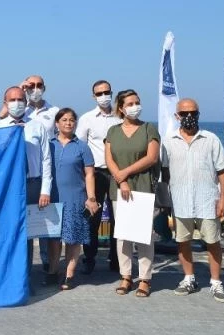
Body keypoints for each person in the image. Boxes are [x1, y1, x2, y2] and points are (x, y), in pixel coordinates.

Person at [161, 98, 224, 303]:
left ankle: (216, 282)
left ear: (199, 114)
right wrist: (165, 200)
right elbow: (165, 172)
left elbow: (222, 171)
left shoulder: (210, 139)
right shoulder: (169, 140)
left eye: (193, 112)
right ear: (177, 116)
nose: (189, 116)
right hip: (180, 200)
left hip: (207, 199)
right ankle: (189, 278)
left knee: (213, 242)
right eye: (184, 113)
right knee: (183, 241)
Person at [0, 87, 58, 285]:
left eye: (21, 99)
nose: (17, 103)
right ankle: (5, 275)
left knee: (28, 234)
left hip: (32, 184)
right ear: (5, 102)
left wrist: (45, 190)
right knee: (6, 230)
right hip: (9, 186)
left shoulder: (37, 127)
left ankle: (24, 278)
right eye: (12, 99)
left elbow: (46, 160)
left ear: (26, 102)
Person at [104, 89, 160, 298]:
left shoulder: (148, 129)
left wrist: (124, 174)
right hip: (119, 189)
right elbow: (109, 159)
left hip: (143, 186)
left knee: (144, 235)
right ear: (121, 108)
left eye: (137, 102)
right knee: (124, 235)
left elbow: (152, 158)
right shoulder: (113, 131)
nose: (135, 106)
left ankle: (145, 278)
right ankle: (126, 275)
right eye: (130, 103)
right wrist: (122, 180)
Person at [75, 80, 122, 274]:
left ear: (112, 92)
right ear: (94, 96)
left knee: (118, 218)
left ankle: (117, 258)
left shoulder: (121, 117)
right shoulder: (87, 118)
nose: (104, 95)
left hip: (117, 173)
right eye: (99, 93)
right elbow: (80, 145)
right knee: (92, 217)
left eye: (107, 92)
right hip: (95, 173)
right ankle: (90, 257)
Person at [49, 108, 98, 290]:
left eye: (71, 120)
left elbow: (89, 174)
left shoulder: (82, 147)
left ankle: (69, 274)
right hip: (53, 198)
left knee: (73, 238)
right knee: (54, 239)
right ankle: (53, 271)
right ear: (57, 123)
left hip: (75, 197)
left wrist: (91, 198)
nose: (68, 123)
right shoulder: (49, 144)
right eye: (64, 120)